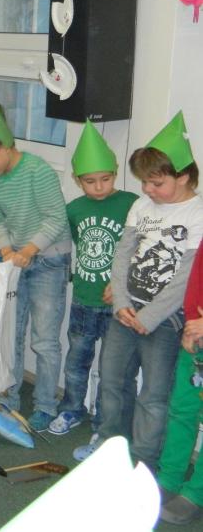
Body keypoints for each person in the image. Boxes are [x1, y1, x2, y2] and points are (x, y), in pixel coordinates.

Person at [74, 112, 203, 472]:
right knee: (113, 380)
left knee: (154, 395)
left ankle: (144, 459)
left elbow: (187, 276)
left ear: (183, 176)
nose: (147, 189)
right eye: (144, 182)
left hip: (166, 320)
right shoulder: (141, 206)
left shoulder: (196, 214)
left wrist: (150, 316)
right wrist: (121, 302)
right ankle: (111, 444)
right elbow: (122, 256)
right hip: (126, 312)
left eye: (156, 183)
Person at [0, 91, 70, 431]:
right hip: (16, 260)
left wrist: (28, 250)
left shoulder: (38, 171)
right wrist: (6, 249)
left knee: (44, 339)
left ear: (5, 146)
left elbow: (56, 218)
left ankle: (45, 404)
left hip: (48, 259)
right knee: (10, 333)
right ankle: (9, 397)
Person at [48, 121, 137, 436]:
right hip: (84, 301)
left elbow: (141, 249)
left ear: (115, 173)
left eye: (106, 179)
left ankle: (103, 423)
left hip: (118, 305)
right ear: (77, 180)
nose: (99, 187)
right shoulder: (74, 208)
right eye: (90, 181)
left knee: (111, 369)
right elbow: (74, 241)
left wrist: (123, 285)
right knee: (77, 361)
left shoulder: (132, 205)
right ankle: (72, 409)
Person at [156, 240, 203, 526]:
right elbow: (196, 280)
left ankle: (196, 493)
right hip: (197, 338)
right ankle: (169, 478)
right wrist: (191, 326)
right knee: (182, 411)